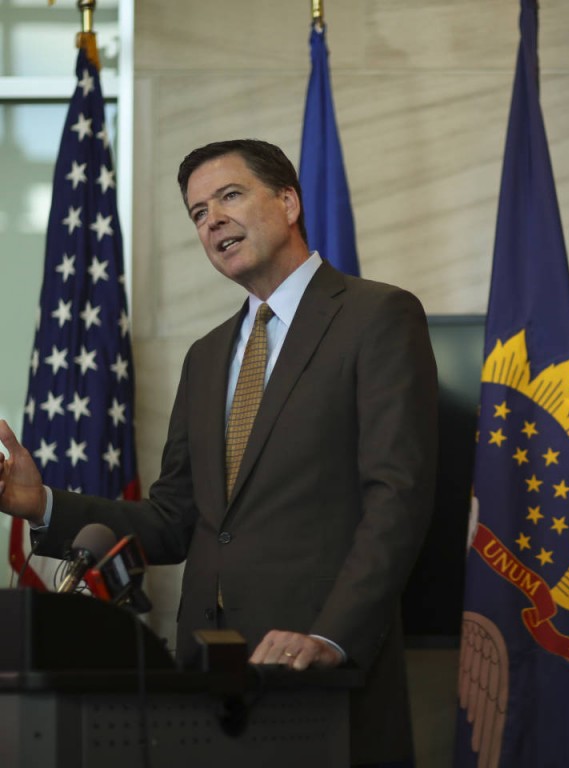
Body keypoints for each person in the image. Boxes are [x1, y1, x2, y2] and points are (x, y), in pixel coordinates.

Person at [0, 138, 438, 767]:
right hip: (205, 684)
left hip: (323, 674)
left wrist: (330, 635)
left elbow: (398, 497)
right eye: (198, 212)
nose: (213, 221)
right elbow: (176, 521)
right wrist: (36, 502)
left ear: (288, 202)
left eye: (229, 196)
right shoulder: (207, 356)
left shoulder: (377, 317)